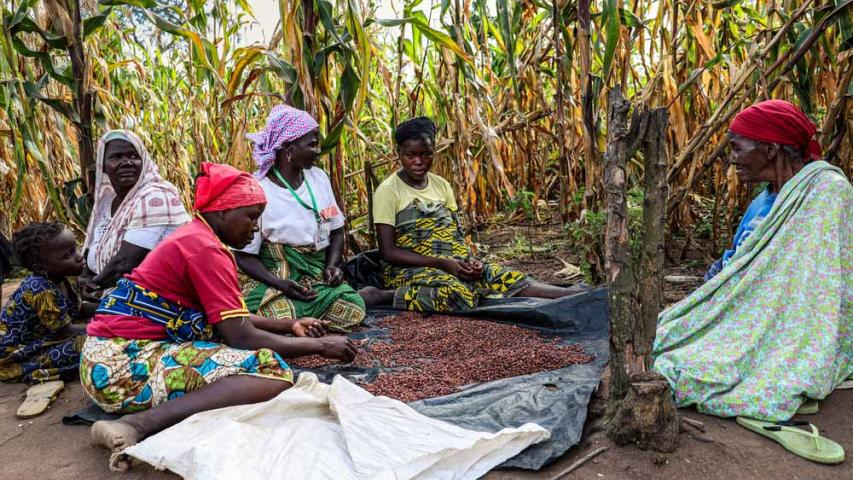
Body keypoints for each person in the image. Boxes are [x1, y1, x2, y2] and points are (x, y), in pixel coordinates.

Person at [82, 163, 358, 471]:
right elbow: (240, 336)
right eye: (251, 216)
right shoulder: (205, 250)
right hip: (120, 370)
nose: (255, 227)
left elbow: (225, 318)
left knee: (243, 357)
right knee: (269, 370)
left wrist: (288, 325)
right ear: (222, 211)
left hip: (104, 360)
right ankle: (135, 425)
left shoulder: (196, 237)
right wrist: (322, 347)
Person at [653, 100, 852, 422]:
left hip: (794, 319)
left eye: (736, 148)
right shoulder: (764, 200)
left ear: (771, 149)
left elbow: (820, 275)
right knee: (664, 337)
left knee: (725, 366)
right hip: (747, 308)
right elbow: (746, 262)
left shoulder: (828, 190)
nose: (730, 159)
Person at [372, 117, 583, 312]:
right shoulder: (389, 191)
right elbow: (388, 252)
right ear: (398, 152)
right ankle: (383, 296)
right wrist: (441, 263)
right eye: (410, 155)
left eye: (426, 155)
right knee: (459, 295)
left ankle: (580, 295)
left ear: (434, 152)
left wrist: (471, 260)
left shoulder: (441, 185)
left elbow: (455, 234)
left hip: (453, 262)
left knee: (509, 278)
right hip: (409, 270)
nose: (418, 161)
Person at [236, 105, 370, 332]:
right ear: (289, 149)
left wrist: (332, 266)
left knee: (354, 306)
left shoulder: (319, 178)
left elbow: (337, 231)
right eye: (312, 144)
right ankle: (297, 325)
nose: (318, 150)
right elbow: (243, 256)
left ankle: (302, 327)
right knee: (271, 312)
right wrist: (279, 283)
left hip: (316, 278)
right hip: (277, 279)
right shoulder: (259, 191)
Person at [81, 130, 189, 292]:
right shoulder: (108, 199)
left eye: (133, 156)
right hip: (113, 288)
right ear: (103, 166)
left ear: (144, 161)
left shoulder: (155, 197)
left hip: (156, 295)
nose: (126, 162)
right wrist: (82, 279)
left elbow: (125, 263)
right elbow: (92, 248)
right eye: (116, 157)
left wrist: (90, 287)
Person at [1, 222, 95, 384]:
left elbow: (78, 309)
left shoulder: (67, 276)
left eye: (76, 248)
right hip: (18, 355)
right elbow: (66, 331)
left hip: (46, 338)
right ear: (41, 267)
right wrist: (106, 326)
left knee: (98, 333)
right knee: (88, 343)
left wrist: (110, 310)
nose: (79, 256)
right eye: (68, 255)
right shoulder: (40, 289)